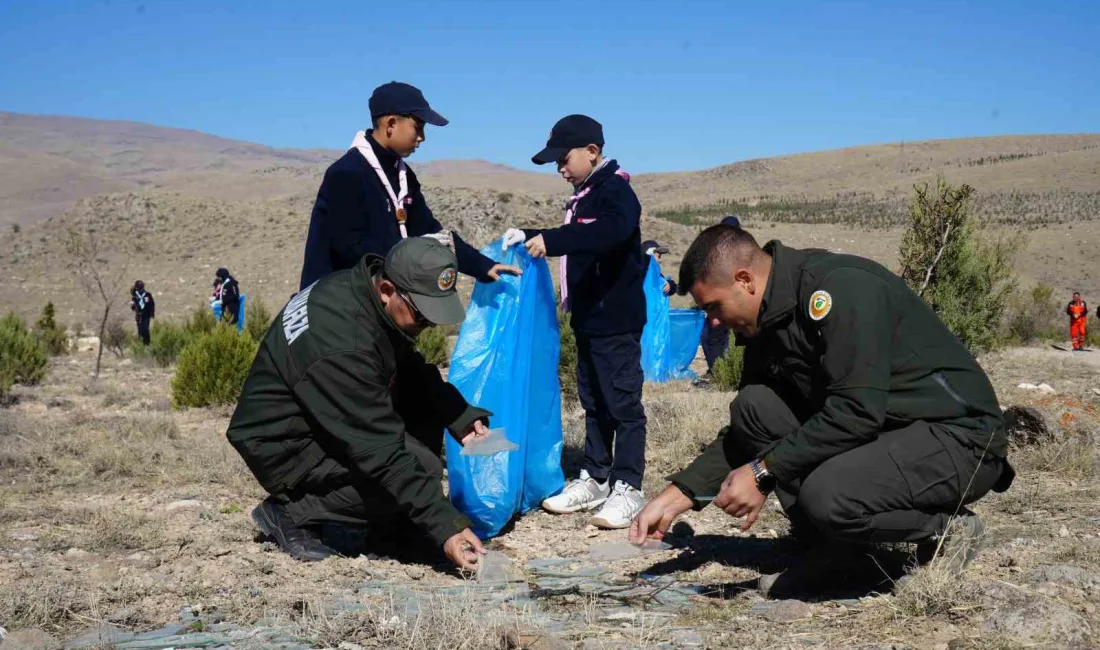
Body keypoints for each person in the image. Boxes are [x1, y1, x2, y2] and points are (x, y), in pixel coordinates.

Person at [630, 225, 1014, 595]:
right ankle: (836, 551)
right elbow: (747, 433)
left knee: (827, 496)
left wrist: (764, 472)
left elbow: (856, 411)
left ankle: (946, 529)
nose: (712, 320)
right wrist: (680, 494)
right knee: (754, 407)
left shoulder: (840, 288)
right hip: (889, 431)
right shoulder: (766, 318)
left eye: (713, 306)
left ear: (745, 280)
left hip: (959, 440)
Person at [227, 237, 494, 569]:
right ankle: (293, 511)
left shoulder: (358, 291)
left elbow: (405, 363)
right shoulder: (343, 345)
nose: (427, 325)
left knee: (422, 414)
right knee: (420, 466)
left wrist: (458, 414)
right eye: (422, 315)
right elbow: (382, 453)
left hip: (316, 414)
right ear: (386, 290)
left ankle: (391, 523)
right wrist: (447, 529)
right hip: (283, 444)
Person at [500, 114, 648, 529]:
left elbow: (611, 233)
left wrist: (554, 240)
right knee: (595, 402)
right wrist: (529, 233)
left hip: (616, 320)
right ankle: (596, 477)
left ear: (592, 152)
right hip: (588, 319)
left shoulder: (616, 191)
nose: (559, 169)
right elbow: (576, 235)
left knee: (623, 404)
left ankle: (629, 486)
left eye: (563, 160)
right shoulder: (585, 195)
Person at [298, 81, 519, 290]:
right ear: (391, 124)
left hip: (380, 302)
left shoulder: (403, 176)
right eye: (418, 127)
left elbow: (430, 231)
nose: (422, 137)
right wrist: (413, 254)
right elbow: (350, 246)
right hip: (337, 304)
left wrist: (482, 266)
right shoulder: (347, 174)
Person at [696, 216, 741, 378]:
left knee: (718, 337)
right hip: (722, 302)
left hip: (734, 302)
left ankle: (724, 372)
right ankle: (718, 371)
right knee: (711, 337)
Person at [130, 280, 155, 346]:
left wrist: (152, 313)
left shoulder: (147, 294)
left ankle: (147, 343)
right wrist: (133, 306)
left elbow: (152, 304)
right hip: (139, 314)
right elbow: (133, 305)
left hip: (146, 314)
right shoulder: (135, 295)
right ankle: (141, 344)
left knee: (146, 329)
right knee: (140, 329)